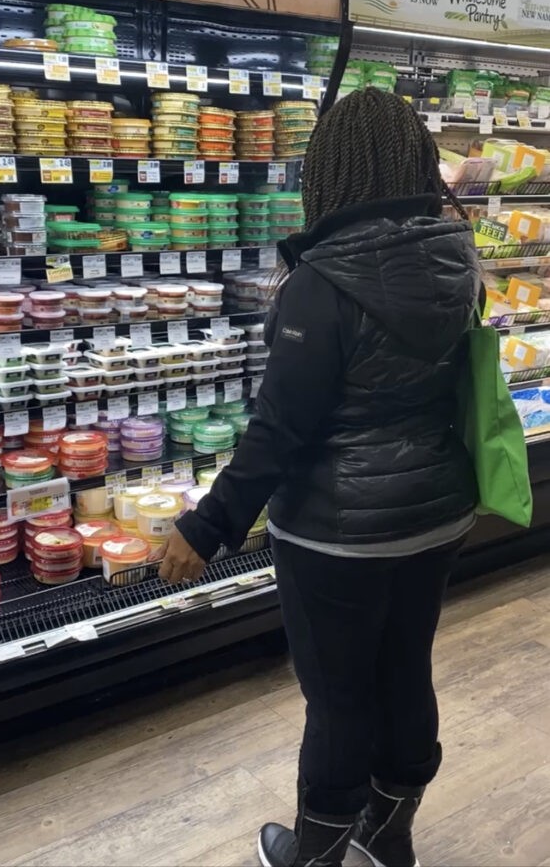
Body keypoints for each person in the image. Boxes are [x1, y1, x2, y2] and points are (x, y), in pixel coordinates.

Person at [158, 88, 481, 867]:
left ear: (332, 172)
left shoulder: (324, 281)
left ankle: (317, 853)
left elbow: (281, 431)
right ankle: (388, 832)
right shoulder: (456, 256)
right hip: (436, 513)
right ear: (414, 161)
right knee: (406, 672)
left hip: (338, 535)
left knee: (338, 699)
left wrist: (205, 528)